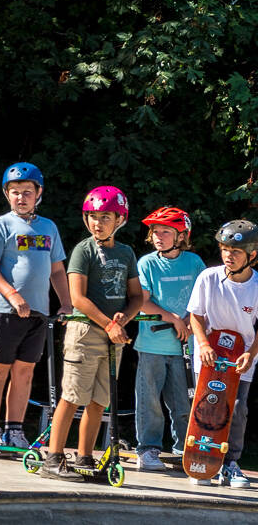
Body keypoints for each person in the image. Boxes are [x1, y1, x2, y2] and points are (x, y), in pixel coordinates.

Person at [40, 186, 143, 481]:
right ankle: (54, 458)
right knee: (72, 396)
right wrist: (110, 324)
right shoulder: (83, 250)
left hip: (114, 335)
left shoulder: (126, 252)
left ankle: (85, 457)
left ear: (120, 219)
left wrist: (124, 318)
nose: (98, 223)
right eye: (93, 216)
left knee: (100, 400)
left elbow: (136, 296)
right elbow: (78, 298)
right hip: (85, 331)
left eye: (105, 217)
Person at [0, 163, 71, 454]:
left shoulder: (49, 227)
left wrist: (66, 303)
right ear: (7, 195)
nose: (21, 197)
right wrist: (12, 294)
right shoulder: (1, 225)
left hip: (39, 312)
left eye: (26, 192)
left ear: (38, 193)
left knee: (25, 371)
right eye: (15, 192)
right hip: (5, 310)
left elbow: (57, 270)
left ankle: (14, 429)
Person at [185, 219, 258, 488]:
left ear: (252, 255)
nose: (228, 255)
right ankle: (201, 461)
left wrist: (251, 354)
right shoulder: (209, 277)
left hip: (242, 357)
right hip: (209, 354)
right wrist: (202, 344)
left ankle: (230, 465)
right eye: (224, 249)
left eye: (235, 251)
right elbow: (195, 315)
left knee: (236, 409)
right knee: (207, 407)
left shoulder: (257, 285)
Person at [133, 208, 205, 470]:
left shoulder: (194, 262)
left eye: (166, 231)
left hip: (185, 346)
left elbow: (202, 299)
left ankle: (183, 449)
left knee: (184, 400)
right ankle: (149, 449)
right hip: (152, 344)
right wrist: (173, 318)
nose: (158, 236)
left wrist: (188, 320)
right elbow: (142, 301)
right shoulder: (147, 263)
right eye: (155, 232)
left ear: (181, 236)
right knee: (149, 400)